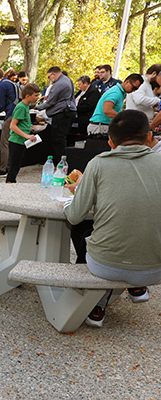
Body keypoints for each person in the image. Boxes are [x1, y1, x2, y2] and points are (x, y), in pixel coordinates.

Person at [64, 110, 161, 328]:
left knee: (82, 230)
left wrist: (70, 201)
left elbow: (75, 215)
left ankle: (95, 303)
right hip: (154, 266)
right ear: (149, 137)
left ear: (110, 141)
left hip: (105, 266)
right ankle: (135, 287)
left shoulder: (99, 164)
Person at [34, 66, 78, 160]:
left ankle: (58, 161)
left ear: (53, 74)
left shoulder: (59, 84)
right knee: (61, 137)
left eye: (49, 77)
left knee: (58, 138)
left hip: (62, 113)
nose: (49, 79)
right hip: (69, 111)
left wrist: (37, 107)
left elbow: (51, 102)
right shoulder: (67, 80)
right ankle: (60, 159)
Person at [6, 83, 41, 183]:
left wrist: (30, 129)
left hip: (22, 141)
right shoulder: (21, 107)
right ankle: (8, 186)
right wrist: (27, 135)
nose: (37, 98)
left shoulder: (26, 107)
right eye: (35, 95)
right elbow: (12, 125)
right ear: (27, 96)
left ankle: (11, 184)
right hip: (16, 141)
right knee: (13, 168)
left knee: (16, 166)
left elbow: (21, 124)